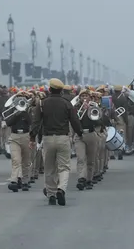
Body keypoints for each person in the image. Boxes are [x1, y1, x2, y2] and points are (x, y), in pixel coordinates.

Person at [30, 78, 82, 206]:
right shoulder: (67, 103)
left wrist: (32, 138)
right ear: (61, 90)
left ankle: (51, 194)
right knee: (64, 167)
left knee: (49, 168)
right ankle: (61, 189)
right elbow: (74, 121)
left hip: (47, 138)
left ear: (49, 89)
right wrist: (80, 133)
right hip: (63, 138)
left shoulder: (42, 104)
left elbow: (36, 123)